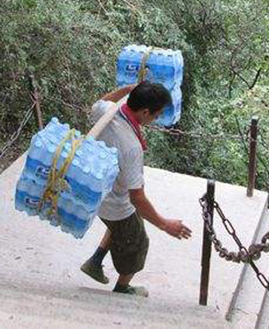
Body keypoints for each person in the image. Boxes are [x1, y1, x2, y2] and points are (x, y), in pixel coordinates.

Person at [80, 82, 192, 297]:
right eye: (156, 115)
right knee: (138, 242)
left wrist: (126, 89)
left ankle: (95, 261)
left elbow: (101, 101)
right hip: (114, 203)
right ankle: (123, 289)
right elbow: (137, 198)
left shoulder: (108, 111)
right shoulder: (131, 147)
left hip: (95, 190)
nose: (156, 119)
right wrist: (165, 224)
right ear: (145, 112)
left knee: (123, 228)